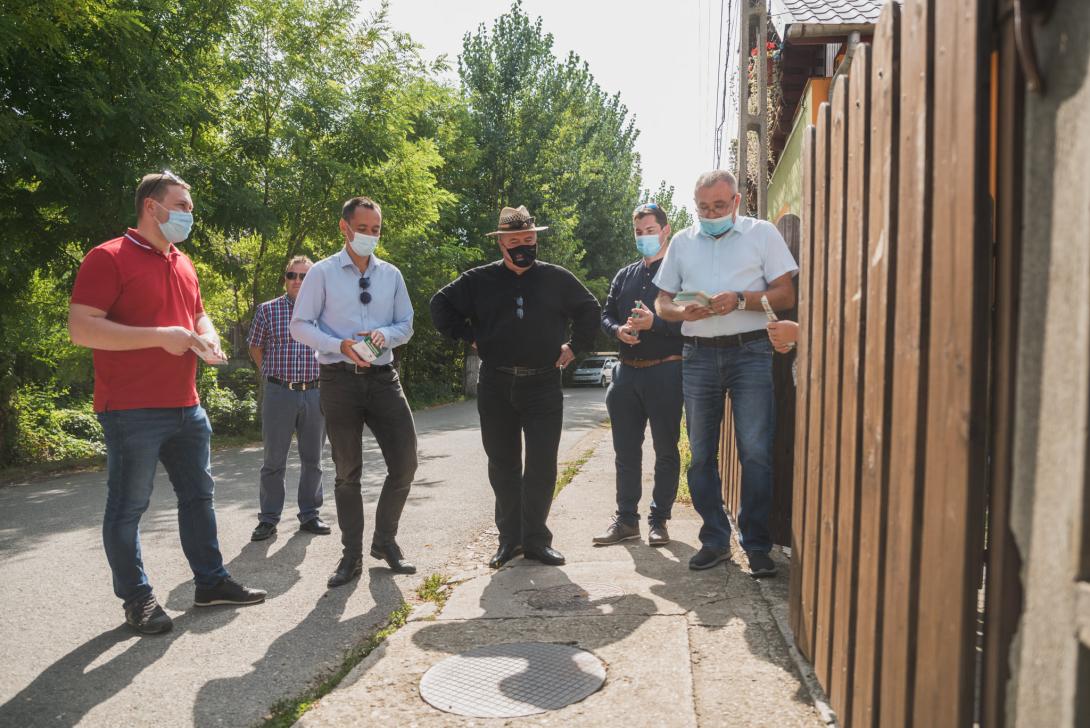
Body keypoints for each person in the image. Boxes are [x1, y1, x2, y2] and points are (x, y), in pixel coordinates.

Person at [68, 171, 267, 635]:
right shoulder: (107, 257)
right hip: (131, 409)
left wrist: (207, 336)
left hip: (187, 405)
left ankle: (211, 583)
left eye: (190, 207)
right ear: (151, 207)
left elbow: (197, 313)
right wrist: (161, 337)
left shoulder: (182, 260)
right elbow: (82, 327)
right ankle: (137, 600)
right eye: (181, 205)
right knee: (128, 508)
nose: (189, 214)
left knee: (198, 497)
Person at [430, 205, 601, 569]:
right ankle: (509, 540)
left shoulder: (556, 278)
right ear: (501, 245)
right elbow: (440, 305)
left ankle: (537, 540)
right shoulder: (478, 281)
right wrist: (470, 336)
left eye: (529, 239)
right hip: (496, 384)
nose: (523, 246)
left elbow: (590, 309)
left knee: (541, 464)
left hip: (543, 384)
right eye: (515, 241)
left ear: (536, 238)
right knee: (503, 464)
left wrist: (575, 347)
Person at [653, 170, 798, 575]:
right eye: (703, 207)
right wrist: (682, 312)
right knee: (700, 456)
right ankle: (715, 539)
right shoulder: (681, 242)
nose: (710, 213)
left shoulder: (762, 233)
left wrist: (740, 300)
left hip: (751, 352)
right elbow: (662, 302)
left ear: (736, 202)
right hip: (697, 356)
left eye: (719, 206)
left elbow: (785, 294)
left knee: (755, 453)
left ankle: (755, 545)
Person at [289, 196, 418, 588]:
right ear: (344, 228)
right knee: (347, 473)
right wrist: (338, 344)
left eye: (375, 230)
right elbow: (300, 325)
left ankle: (385, 540)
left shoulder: (391, 275)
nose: (369, 236)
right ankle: (351, 557)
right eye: (362, 229)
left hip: (382, 378)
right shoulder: (323, 273)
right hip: (339, 380)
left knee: (406, 462)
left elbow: (407, 324)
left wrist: (385, 334)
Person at [593, 202, 685, 548]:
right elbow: (605, 315)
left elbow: (692, 324)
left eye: (650, 231)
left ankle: (659, 521)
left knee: (665, 450)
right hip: (625, 376)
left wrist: (656, 324)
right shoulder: (624, 275)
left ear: (665, 230)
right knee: (625, 452)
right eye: (638, 232)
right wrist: (618, 331)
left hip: (667, 372)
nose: (644, 237)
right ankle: (626, 520)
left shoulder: (680, 274)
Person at [247, 256, 329, 542]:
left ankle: (310, 515)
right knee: (273, 460)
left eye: (304, 276)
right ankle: (268, 519)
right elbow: (255, 347)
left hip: (316, 393)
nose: (297, 280)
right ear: (285, 278)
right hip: (279, 393)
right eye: (291, 275)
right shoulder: (267, 310)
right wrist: (271, 374)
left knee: (313, 459)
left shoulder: (325, 312)